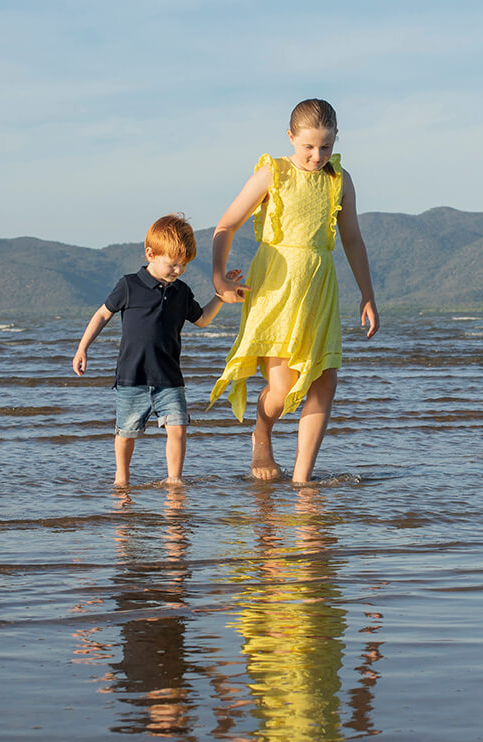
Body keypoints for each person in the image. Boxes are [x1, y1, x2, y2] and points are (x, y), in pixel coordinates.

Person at [209, 98, 379, 484]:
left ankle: (303, 482)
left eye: (326, 147)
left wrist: (367, 294)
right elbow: (226, 226)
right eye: (308, 146)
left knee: (325, 382)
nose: (317, 156)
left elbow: (352, 239)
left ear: (336, 141)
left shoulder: (340, 179)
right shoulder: (274, 173)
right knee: (283, 390)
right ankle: (262, 431)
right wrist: (219, 279)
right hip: (276, 290)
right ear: (291, 137)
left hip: (320, 288)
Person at [73, 214, 233, 488]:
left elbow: (202, 319)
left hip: (169, 378)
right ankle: (121, 479)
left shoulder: (181, 292)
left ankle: (174, 480)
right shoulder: (129, 285)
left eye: (183, 265)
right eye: (173, 264)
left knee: (178, 428)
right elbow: (102, 315)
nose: (178, 270)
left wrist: (220, 296)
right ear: (151, 253)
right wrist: (82, 348)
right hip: (132, 377)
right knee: (126, 433)